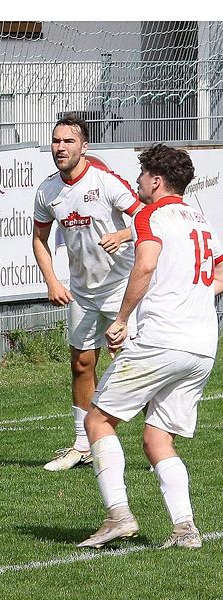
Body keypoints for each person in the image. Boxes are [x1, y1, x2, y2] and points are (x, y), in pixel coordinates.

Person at [77, 144, 222, 550]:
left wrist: (121, 319)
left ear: (156, 180)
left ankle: (118, 516)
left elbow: (144, 265)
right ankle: (185, 529)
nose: (138, 181)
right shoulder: (201, 219)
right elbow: (218, 271)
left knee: (98, 422)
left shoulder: (150, 214)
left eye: (141, 175)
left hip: (163, 338)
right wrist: (192, 293)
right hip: (201, 345)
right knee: (158, 438)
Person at [32, 113, 142, 472]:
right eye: (56, 141)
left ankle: (157, 443)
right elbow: (39, 239)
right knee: (81, 363)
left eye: (68, 141)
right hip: (82, 292)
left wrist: (124, 235)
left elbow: (147, 217)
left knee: (136, 364)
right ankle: (83, 445)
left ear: (84, 146)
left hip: (120, 289)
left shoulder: (106, 182)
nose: (60, 148)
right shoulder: (48, 191)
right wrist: (52, 280)